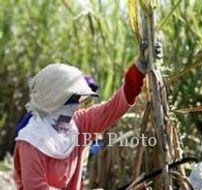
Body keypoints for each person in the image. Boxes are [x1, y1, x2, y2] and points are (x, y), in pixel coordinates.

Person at [13, 43, 163, 190]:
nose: (74, 106)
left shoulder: (80, 123)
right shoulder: (31, 141)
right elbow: (35, 187)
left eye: (77, 99)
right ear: (54, 99)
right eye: (71, 99)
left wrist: (138, 70)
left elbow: (113, 108)